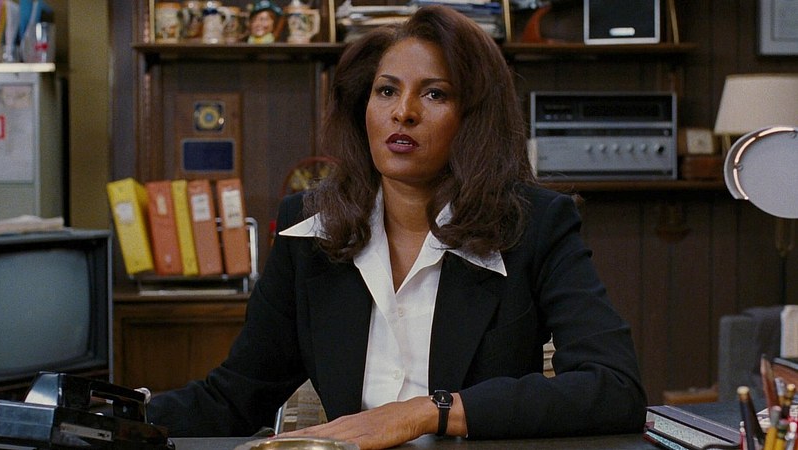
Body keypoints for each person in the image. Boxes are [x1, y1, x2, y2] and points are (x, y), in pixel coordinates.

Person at [146, 5, 647, 449]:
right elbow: (234, 398)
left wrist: (426, 413)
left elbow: (614, 387)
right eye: (386, 91)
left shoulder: (534, 225)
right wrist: (116, 415)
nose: (403, 112)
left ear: (474, 118)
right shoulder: (310, 230)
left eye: (435, 94)